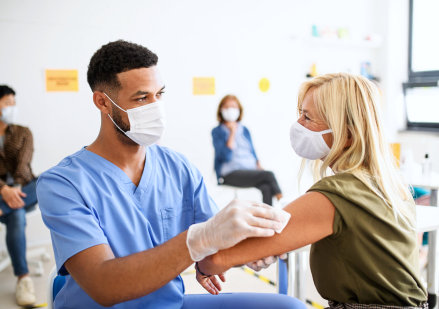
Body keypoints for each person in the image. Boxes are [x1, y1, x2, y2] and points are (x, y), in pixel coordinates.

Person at [36, 40, 299, 309]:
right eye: (141, 98)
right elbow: (104, 285)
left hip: (169, 304)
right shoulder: (63, 183)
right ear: (103, 102)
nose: (155, 106)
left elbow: (211, 254)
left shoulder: (177, 168)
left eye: (159, 94)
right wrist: (200, 240)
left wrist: (250, 248)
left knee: (290, 307)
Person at [198, 73, 428, 308]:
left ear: (347, 133)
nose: (298, 125)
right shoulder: (390, 185)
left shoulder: (335, 195)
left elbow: (216, 259)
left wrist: (204, 260)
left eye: (307, 117)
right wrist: (281, 240)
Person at [0, 85, 38, 306]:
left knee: (45, 180)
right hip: (2, 191)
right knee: (18, 215)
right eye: (7, 103)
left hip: (25, 188)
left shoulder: (23, 131)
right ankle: (24, 279)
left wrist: (14, 189)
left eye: (13, 103)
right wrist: (3, 189)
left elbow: (24, 166)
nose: (12, 107)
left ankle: (4, 207)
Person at [212, 95, 283, 205]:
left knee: (266, 187)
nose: (231, 110)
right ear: (221, 110)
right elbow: (225, 156)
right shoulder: (217, 131)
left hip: (250, 170)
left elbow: (252, 151)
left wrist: (258, 165)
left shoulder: (245, 130)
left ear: (239, 110)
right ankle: (283, 202)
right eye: (227, 107)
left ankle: (268, 218)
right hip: (230, 174)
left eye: (234, 107)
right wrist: (232, 133)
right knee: (268, 175)